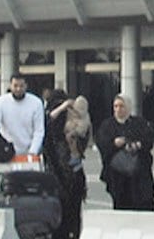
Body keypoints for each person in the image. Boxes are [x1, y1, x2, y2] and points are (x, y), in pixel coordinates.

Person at [96, 93, 154, 210]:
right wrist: (114, 143)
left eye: (121, 106)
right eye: (115, 106)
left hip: (140, 176)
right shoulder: (108, 125)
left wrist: (138, 145)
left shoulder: (138, 123)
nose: (118, 109)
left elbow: (149, 139)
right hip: (118, 176)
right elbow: (102, 143)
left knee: (144, 205)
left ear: (128, 107)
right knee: (122, 206)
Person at [44, 91, 89, 239]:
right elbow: (46, 123)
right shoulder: (52, 133)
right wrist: (62, 107)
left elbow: (84, 136)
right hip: (57, 173)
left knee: (73, 214)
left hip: (73, 172)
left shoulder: (77, 124)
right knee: (60, 215)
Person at [0, 75, 45, 155]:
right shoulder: (0, 102)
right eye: (15, 86)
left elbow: (39, 130)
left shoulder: (36, 103)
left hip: (30, 150)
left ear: (26, 86)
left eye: (21, 86)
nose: (18, 89)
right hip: (5, 151)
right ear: (10, 86)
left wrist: (33, 151)